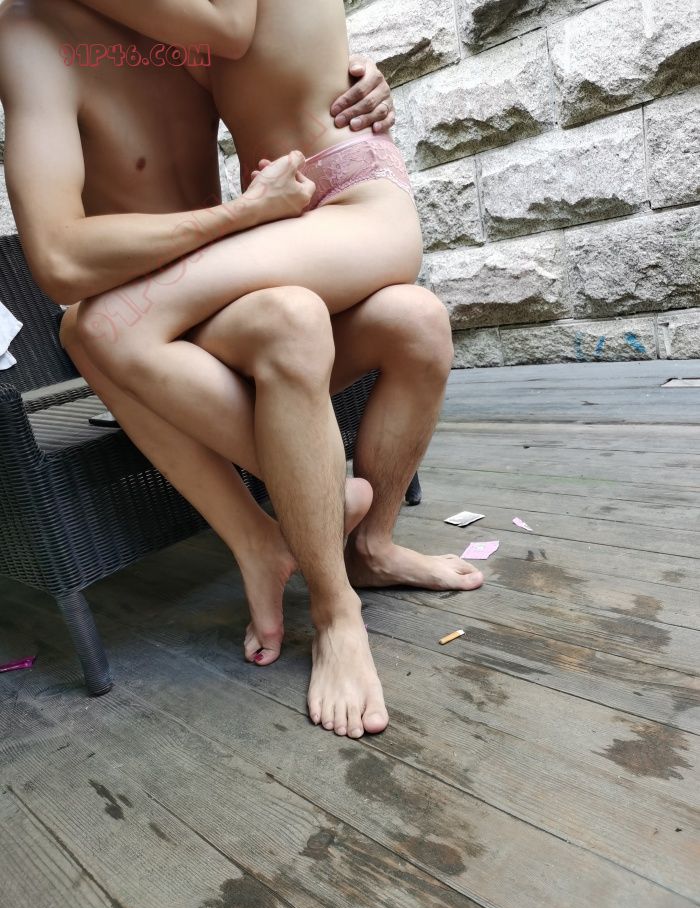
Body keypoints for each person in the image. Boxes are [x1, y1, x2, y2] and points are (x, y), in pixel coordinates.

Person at [0, 0, 484, 741]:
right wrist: (240, 216)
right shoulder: (30, 34)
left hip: (208, 284)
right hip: (149, 299)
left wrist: (354, 81)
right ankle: (317, 587)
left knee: (416, 320)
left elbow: (271, 59)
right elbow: (61, 260)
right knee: (280, 317)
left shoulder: (172, 20)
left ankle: (370, 547)